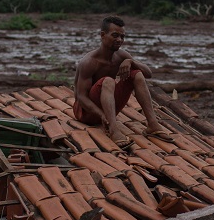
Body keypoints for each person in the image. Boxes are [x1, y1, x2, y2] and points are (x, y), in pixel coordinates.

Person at [73, 16, 174, 148]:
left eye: (122, 37)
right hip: (87, 113)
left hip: (108, 110)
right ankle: (113, 130)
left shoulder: (122, 56)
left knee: (137, 74)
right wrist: (101, 115)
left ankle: (153, 124)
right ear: (103, 35)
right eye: (115, 35)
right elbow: (80, 97)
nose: (119, 40)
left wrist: (132, 62)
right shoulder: (89, 62)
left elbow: (148, 74)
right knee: (108, 81)